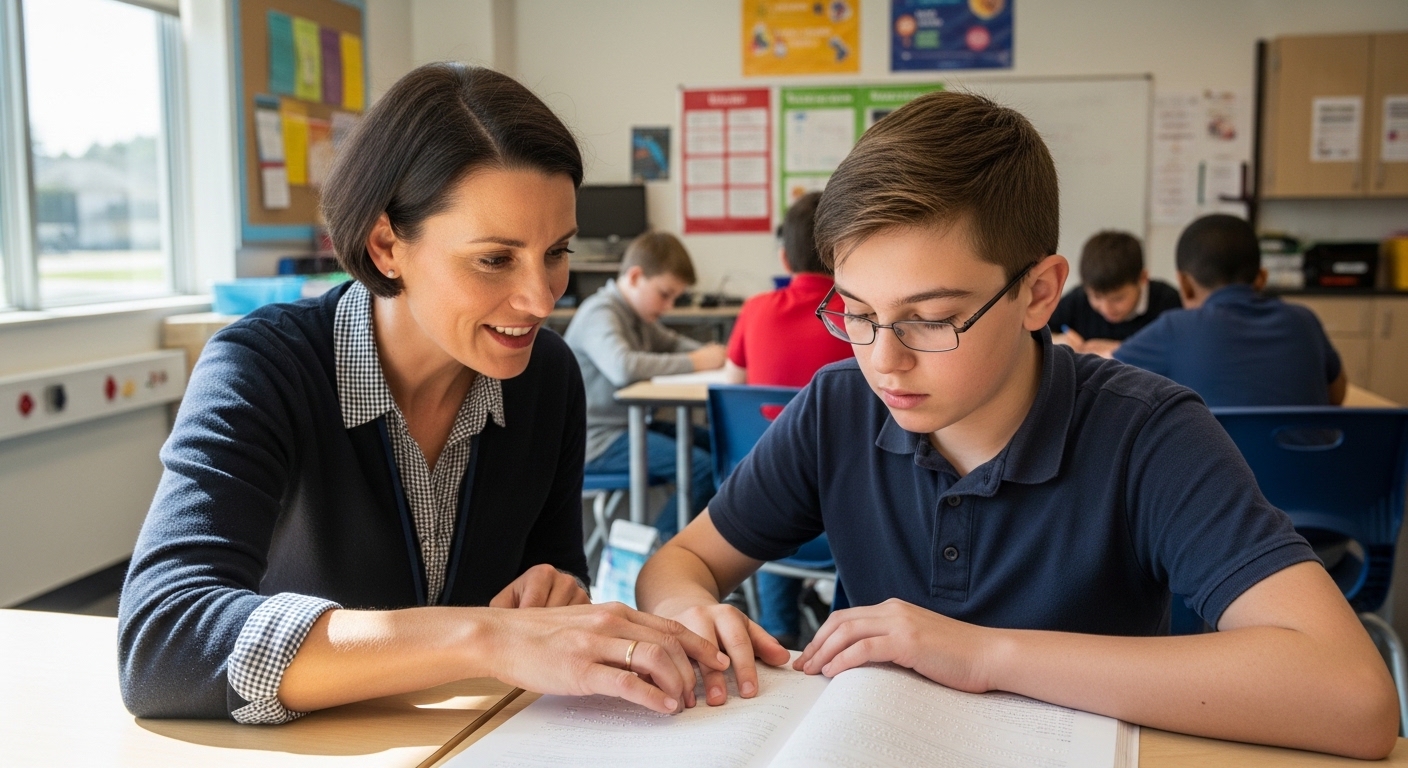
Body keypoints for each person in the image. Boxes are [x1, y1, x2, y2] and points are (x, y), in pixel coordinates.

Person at [635, 91, 1397, 759]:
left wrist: (984, 654)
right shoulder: (839, 406)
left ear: (1038, 294)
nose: (884, 362)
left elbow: (1353, 698)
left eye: (930, 319)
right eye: (857, 314)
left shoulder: (1148, 433)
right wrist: (688, 609)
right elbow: (676, 563)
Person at [118, 63, 728, 724]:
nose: (542, 297)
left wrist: (557, 599)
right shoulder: (262, 368)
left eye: (557, 251)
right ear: (386, 246)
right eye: (495, 259)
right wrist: (484, 637)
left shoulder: (546, 376)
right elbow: (161, 643)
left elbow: (552, 579)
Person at [722, 191, 852, 649]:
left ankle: (778, 629)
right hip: (846, 517)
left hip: (760, 516)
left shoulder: (756, 308)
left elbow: (731, 382)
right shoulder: (858, 317)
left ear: (784, 255)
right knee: (809, 468)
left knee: (769, 461)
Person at [565, 232, 726, 541]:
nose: (668, 306)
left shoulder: (638, 316)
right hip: (597, 440)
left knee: (721, 445)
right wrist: (697, 361)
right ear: (636, 277)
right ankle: (657, 555)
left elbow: (673, 342)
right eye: (664, 294)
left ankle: (709, 549)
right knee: (701, 469)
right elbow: (623, 367)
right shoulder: (600, 312)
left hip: (633, 428)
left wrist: (718, 357)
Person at [1114, 214, 1347, 406]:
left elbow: (1107, 379)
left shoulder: (1176, 328)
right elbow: (1336, 397)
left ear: (1184, 283)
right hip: (1309, 463)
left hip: (1213, 463)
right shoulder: (1304, 320)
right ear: (1261, 278)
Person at [1048, 230, 1181, 356]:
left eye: (1118, 299)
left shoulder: (1169, 304)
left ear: (1142, 279)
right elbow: (1035, 330)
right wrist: (1060, 339)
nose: (1106, 309)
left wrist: (1124, 350)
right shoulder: (1077, 299)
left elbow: (1180, 351)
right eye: (1096, 297)